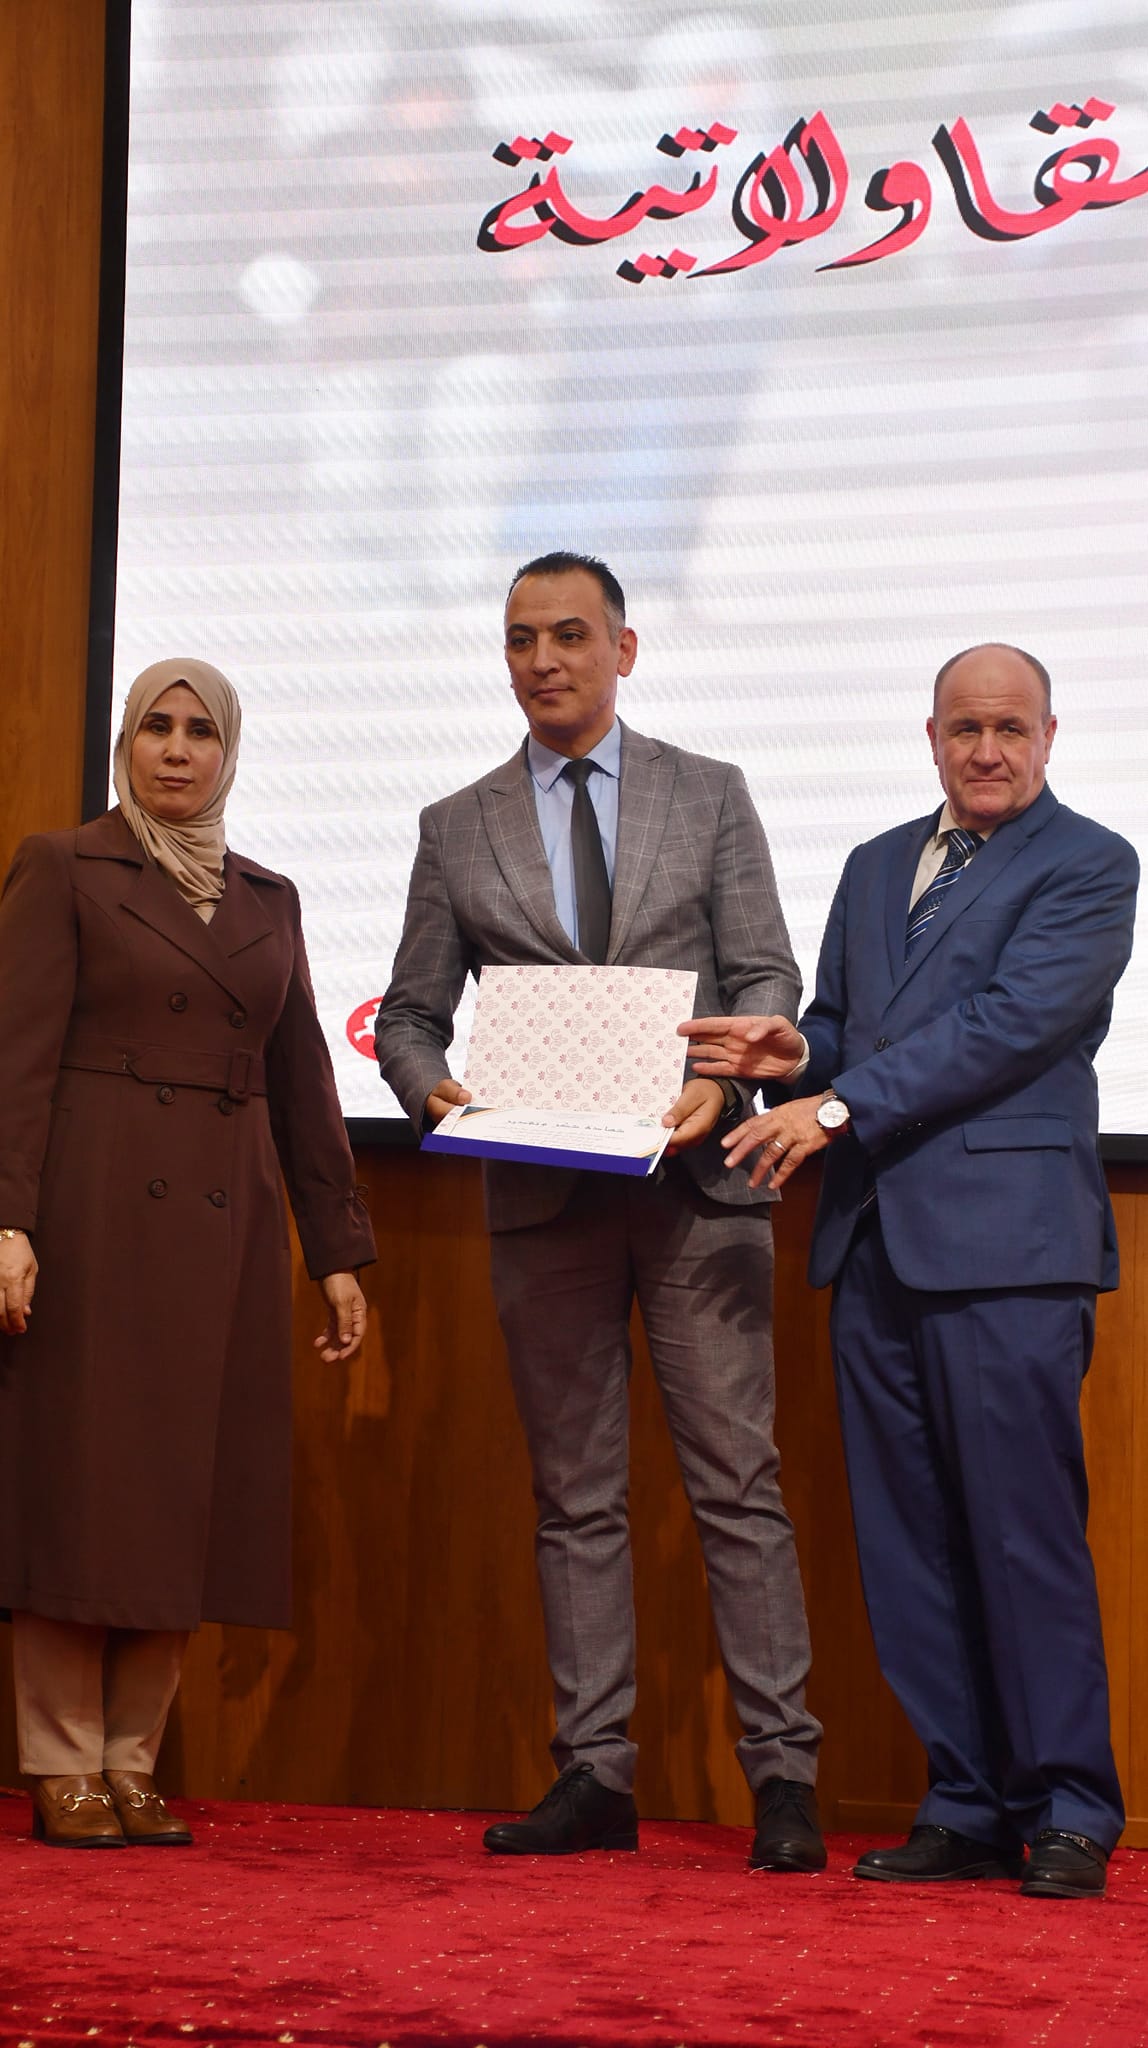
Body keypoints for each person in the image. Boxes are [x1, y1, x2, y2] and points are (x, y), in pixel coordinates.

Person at [376, 551, 824, 1869]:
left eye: (569, 635)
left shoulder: (710, 792)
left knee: (737, 1483)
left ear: (622, 649)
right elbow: (408, 1014)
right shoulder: (455, 825)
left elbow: (767, 976)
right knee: (574, 1496)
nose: (543, 661)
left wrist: (717, 1080)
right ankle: (595, 1772)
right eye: (521, 638)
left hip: (698, 1187)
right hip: (541, 1194)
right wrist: (431, 1089)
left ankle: (784, 1775)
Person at [684, 642, 1139, 1900]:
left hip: (1007, 1251)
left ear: (1047, 736)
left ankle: (1068, 1807)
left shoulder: (1090, 862)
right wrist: (791, 1055)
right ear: (929, 736)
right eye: (962, 728)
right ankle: (966, 1800)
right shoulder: (877, 862)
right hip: (875, 1241)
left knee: (1020, 1537)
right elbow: (847, 1027)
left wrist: (831, 1108)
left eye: (1008, 727)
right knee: (911, 1544)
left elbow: (1007, 1025)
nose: (985, 749)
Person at [0, 658, 376, 1848]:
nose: (176, 747)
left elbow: (303, 1077)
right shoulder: (65, 864)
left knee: (179, 1490)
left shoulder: (270, 896)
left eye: (199, 729)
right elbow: (13, 1058)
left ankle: (132, 1759)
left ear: (228, 750)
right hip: (91, 1208)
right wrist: (7, 1220)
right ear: (126, 743)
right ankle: (60, 1757)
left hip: (224, 1224)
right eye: (155, 726)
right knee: (80, 1483)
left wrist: (335, 1248)